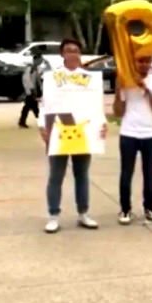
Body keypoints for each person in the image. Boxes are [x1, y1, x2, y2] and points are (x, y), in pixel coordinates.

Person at [38, 38, 106, 233]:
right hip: (59, 130)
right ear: (62, 54)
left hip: (84, 131)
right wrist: (42, 125)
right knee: (56, 176)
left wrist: (101, 125)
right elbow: (46, 103)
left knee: (82, 174)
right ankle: (53, 215)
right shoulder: (52, 78)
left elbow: (96, 105)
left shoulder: (90, 78)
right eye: (68, 50)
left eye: (76, 50)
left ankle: (83, 213)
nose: (73, 54)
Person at [113, 54, 152, 225]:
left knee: (149, 172)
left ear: (151, 63)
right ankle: (125, 209)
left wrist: (146, 89)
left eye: (147, 61)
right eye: (140, 61)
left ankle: (149, 207)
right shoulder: (125, 79)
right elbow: (118, 112)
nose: (143, 65)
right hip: (129, 132)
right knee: (126, 172)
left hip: (149, 133)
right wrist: (118, 89)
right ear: (133, 62)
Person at [19, 53, 45, 128]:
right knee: (30, 106)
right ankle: (40, 120)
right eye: (39, 60)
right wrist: (31, 89)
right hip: (30, 90)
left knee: (31, 106)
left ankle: (23, 121)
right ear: (35, 60)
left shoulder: (36, 69)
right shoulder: (30, 68)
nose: (40, 62)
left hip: (33, 90)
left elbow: (38, 80)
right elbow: (26, 79)